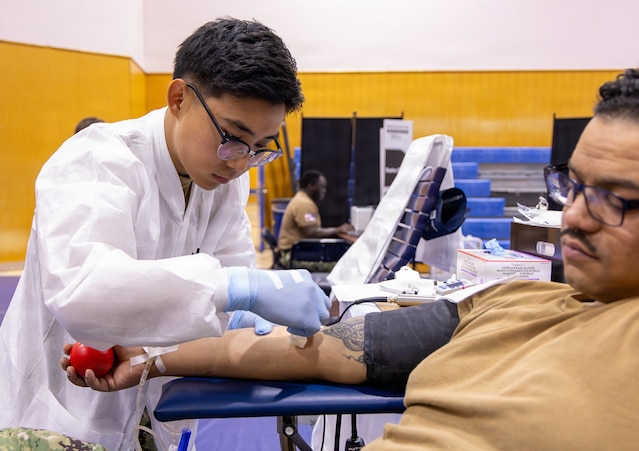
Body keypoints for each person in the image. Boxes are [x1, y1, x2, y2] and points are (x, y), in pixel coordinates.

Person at [65, 68, 639, 449]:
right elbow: (319, 350)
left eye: (613, 198)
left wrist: (229, 295)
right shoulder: (513, 302)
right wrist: (151, 359)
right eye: (573, 185)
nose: (573, 215)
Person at [0, 17, 332, 451]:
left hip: (153, 399)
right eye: (233, 136)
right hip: (60, 408)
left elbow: (228, 286)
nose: (239, 162)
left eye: (260, 147)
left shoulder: (228, 182)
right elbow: (84, 292)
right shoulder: (96, 159)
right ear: (179, 98)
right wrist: (238, 290)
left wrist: (246, 312)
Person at [278, 169, 354, 269]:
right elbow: (312, 232)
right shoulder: (304, 204)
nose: (324, 191)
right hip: (292, 256)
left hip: (297, 253)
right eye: (321, 187)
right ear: (311, 186)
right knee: (341, 267)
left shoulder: (302, 199)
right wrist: (338, 229)